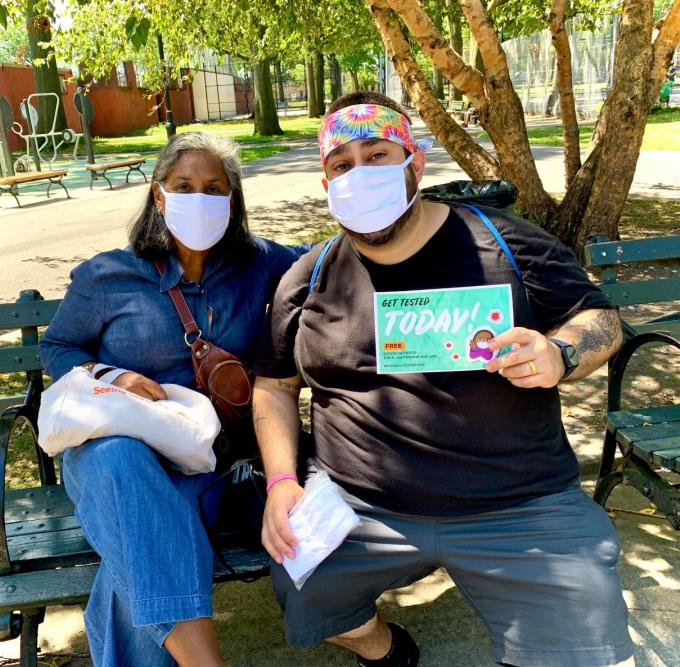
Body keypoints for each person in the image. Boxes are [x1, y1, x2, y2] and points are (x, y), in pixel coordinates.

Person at [251, 92, 635, 667]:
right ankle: (387, 653)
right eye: (341, 165)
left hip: (519, 505)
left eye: (378, 155)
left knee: (578, 650)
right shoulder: (308, 279)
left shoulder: (506, 241)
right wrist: (282, 479)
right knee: (304, 594)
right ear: (326, 180)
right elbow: (274, 385)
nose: (360, 174)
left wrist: (560, 353)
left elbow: (602, 319)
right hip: (358, 508)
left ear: (416, 162)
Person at [40, 132, 308, 667]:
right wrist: (111, 374)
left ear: (232, 201)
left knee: (141, 545)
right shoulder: (107, 275)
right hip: (110, 459)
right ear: (159, 195)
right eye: (184, 186)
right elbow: (58, 345)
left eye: (215, 188)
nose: (200, 199)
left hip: (210, 460)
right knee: (122, 461)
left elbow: (333, 260)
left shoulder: (260, 265)